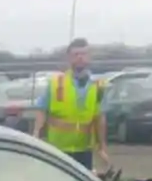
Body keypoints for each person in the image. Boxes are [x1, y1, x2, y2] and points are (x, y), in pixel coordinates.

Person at [32, 38, 110, 172]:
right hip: (58, 150)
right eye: (76, 54)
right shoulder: (56, 83)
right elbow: (42, 110)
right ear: (69, 58)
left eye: (84, 54)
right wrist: (36, 136)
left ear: (89, 57)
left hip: (84, 151)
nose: (80, 57)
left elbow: (100, 118)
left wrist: (102, 147)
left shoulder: (98, 86)